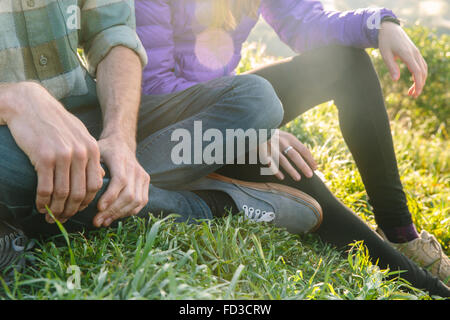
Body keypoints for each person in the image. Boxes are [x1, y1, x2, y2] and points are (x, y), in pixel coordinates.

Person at [0, 0, 330, 283]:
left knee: (257, 100)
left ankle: (117, 183)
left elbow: (113, 35)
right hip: (10, 139)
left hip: (93, 114)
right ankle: (213, 206)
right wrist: (16, 100)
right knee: (9, 170)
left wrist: (119, 137)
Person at [134, 0, 450, 296]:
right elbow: (154, 87)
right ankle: (428, 288)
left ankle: (401, 233)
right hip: (170, 131)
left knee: (347, 65)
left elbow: (306, 23)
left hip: (226, 105)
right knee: (301, 182)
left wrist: (381, 24)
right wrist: (243, 127)